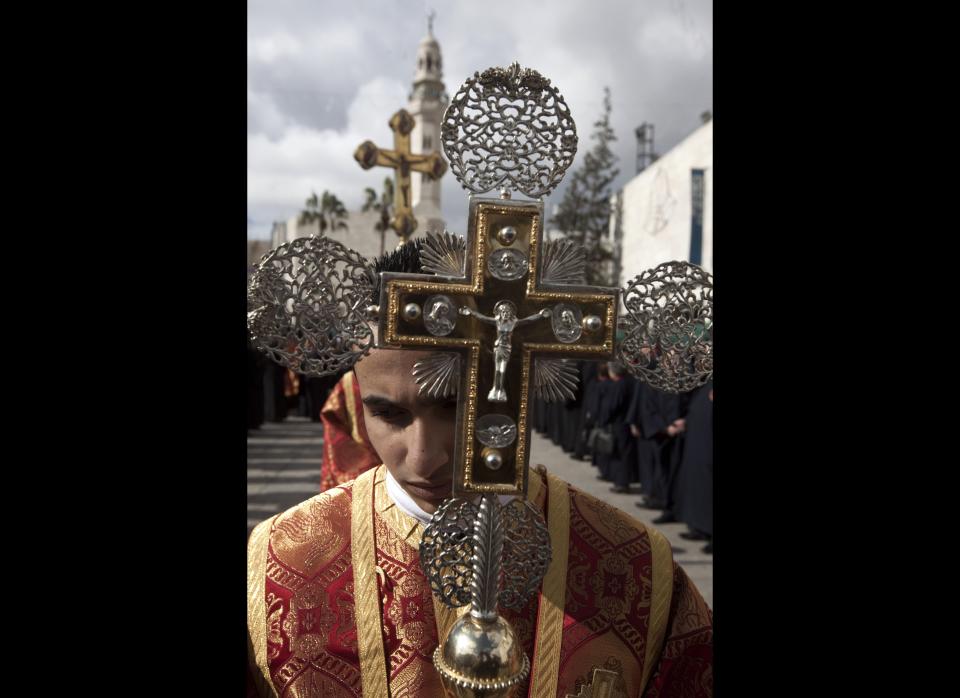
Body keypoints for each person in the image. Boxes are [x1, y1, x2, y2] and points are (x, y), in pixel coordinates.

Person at [247, 242, 713, 697]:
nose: (423, 458)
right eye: (389, 415)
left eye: (453, 406)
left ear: (516, 382)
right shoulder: (278, 564)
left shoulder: (639, 570)